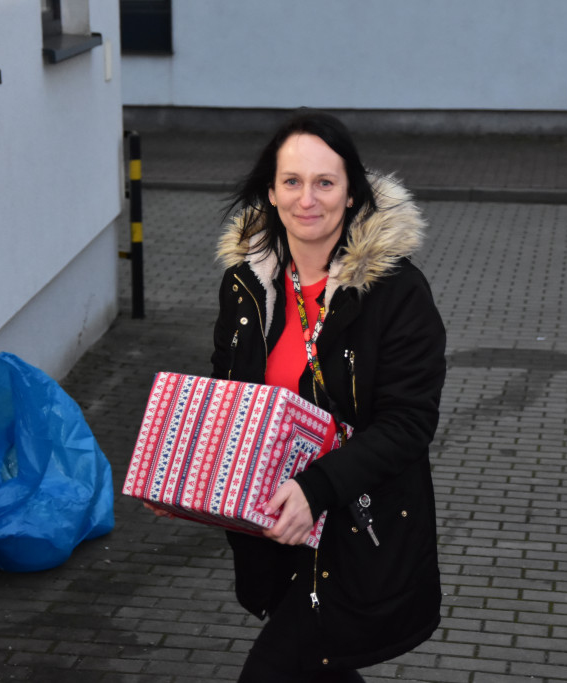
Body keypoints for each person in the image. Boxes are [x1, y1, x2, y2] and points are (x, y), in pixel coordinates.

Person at [209, 110, 447, 682]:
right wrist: (188, 478)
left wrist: (316, 489)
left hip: (355, 531)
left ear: (351, 191)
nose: (306, 199)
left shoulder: (397, 293)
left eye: (325, 182)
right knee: (321, 669)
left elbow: (408, 424)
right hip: (273, 527)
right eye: (292, 181)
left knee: (272, 672)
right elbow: (228, 398)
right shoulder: (247, 286)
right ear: (270, 190)